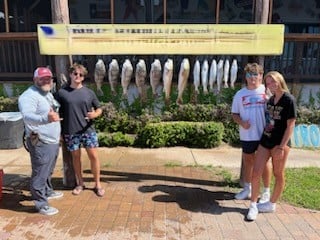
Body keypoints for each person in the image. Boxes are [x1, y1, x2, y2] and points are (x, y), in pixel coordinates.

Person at [247, 71, 297, 221]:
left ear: (280, 81)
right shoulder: (270, 100)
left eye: (273, 81)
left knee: (278, 173)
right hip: (266, 140)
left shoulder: (289, 100)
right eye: (268, 83)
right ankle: (253, 205)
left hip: (280, 143)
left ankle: (271, 204)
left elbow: (290, 126)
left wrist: (281, 147)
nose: (271, 85)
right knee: (256, 173)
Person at [18, 67, 63, 216]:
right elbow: (27, 116)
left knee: (48, 169)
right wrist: (46, 119)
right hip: (40, 140)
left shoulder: (46, 93)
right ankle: (41, 204)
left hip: (52, 140)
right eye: (42, 78)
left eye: (48, 78)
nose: (46, 81)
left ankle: (47, 191)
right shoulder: (28, 96)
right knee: (40, 173)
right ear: (35, 79)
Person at [55, 63, 105, 197]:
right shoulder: (62, 93)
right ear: (70, 74)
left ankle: (97, 184)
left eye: (81, 75)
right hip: (70, 131)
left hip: (88, 130)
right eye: (75, 74)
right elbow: (53, 109)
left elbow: (99, 108)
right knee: (75, 158)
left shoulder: (89, 92)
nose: (78, 76)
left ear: (83, 77)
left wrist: (95, 114)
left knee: (94, 157)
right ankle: (80, 183)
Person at [231, 63, 272, 202]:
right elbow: (234, 114)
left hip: (264, 135)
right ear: (246, 77)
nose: (253, 77)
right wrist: (242, 123)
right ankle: (247, 189)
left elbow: (277, 109)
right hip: (247, 135)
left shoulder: (266, 91)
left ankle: (266, 191)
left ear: (261, 76)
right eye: (250, 74)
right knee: (248, 161)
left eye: (256, 74)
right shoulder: (240, 94)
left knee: (265, 162)